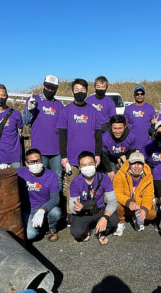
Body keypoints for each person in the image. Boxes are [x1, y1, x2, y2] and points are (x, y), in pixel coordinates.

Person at [58, 78, 102, 217]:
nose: (80, 92)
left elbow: (98, 135)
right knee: (72, 188)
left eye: (83, 90)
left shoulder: (93, 111)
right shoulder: (66, 111)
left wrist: (98, 154)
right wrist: (63, 156)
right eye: (77, 90)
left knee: (90, 187)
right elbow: (62, 135)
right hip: (72, 159)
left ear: (87, 92)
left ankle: (89, 213)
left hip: (89, 160)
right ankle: (71, 215)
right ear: (72, 92)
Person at [22, 75, 64, 189]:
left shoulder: (59, 105)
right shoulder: (33, 100)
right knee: (39, 177)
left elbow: (63, 127)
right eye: (48, 86)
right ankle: (41, 202)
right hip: (39, 149)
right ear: (43, 85)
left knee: (57, 177)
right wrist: (29, 110)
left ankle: (56, 202)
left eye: (53, 87)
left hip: (57, 150)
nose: (50, 89)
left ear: (56, 89)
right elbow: (25, 121)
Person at [69, 151, 118, 244]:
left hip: (99, 210)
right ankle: (87, 227)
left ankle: (101, 231)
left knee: (114, 220)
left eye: (90, 164)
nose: (87, 167)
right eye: (83, 165)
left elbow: (112, 201)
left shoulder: (104, 178)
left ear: (95, 164)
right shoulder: (75, 182)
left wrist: (105, 218)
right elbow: (72, 205)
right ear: (79, 167)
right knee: (77, 233)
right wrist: (76, 208)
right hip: (84, 212)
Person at [17, 149, 61, 242]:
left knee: (56, 213)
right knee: (30, 235)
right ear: (26, 163)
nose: (36, 164)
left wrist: (43, 210)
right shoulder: (20, 173)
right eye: (32, 162)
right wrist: (2, 168)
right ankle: (38, 226)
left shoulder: (51, 175)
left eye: (38, 161)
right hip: (28, 209)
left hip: (44, 206)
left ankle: (51, 229)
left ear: (42, 160)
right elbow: (5, 176)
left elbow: (55, 198)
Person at [113, 151, 156, 236]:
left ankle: (136, 218)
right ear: (129, 164)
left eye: (140, 164)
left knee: (152, 214)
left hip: (139, 205)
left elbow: (148, 195)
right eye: (133, 163)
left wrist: (144, 209)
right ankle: (121, 222)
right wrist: (129, 202)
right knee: (116, 203)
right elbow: (117, 192)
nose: (137, 167)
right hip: (126, 204)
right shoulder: (121, 174)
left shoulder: (148, 176)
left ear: (143, 165)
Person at [101, 114, 136, 181]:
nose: (117, 131)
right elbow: (104, 156)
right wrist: (109, 170)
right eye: (115, 128)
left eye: (120, 128)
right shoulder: (105, 137)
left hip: (125, 158)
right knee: (111, 178)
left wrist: (127, 166)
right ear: (110, 127)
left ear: (125, 127)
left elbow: (131, 153)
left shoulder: (131, 137)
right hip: (110, 159)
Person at [124, 86, 157, 154]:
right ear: (134, 95)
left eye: (141, 94)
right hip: (132, 145)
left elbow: (153, 121)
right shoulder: (128, 109)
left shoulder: (150, 108)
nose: (139, 96)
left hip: (145, 144)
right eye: (137, 94)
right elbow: (125, 125)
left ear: (144, 95)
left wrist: (153, 123)